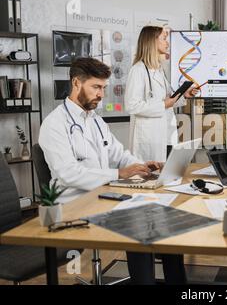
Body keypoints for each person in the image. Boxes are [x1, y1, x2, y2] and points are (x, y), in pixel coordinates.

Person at [39, 57, 186, 285]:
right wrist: (119, 174)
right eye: (96, 87)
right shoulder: (54, 124)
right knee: (139, 222)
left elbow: (118, 154)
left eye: (104, 88)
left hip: (102, 196)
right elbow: (68, 173)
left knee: (161, 214)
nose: (101, 94)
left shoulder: (95, 120)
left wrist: (142, 165)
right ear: (76, 83)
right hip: (73, 205)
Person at [125, 26, 198, 162]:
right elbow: (132, 106)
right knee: (151, 177)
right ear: (152, 41)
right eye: (164, 39)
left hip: (167, 133)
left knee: (167, 175)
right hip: (149, 137)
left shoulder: (159, 70)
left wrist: (184, 95)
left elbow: (168, 99)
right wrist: (163, 104)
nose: (167, 43)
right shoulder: (138, 70)